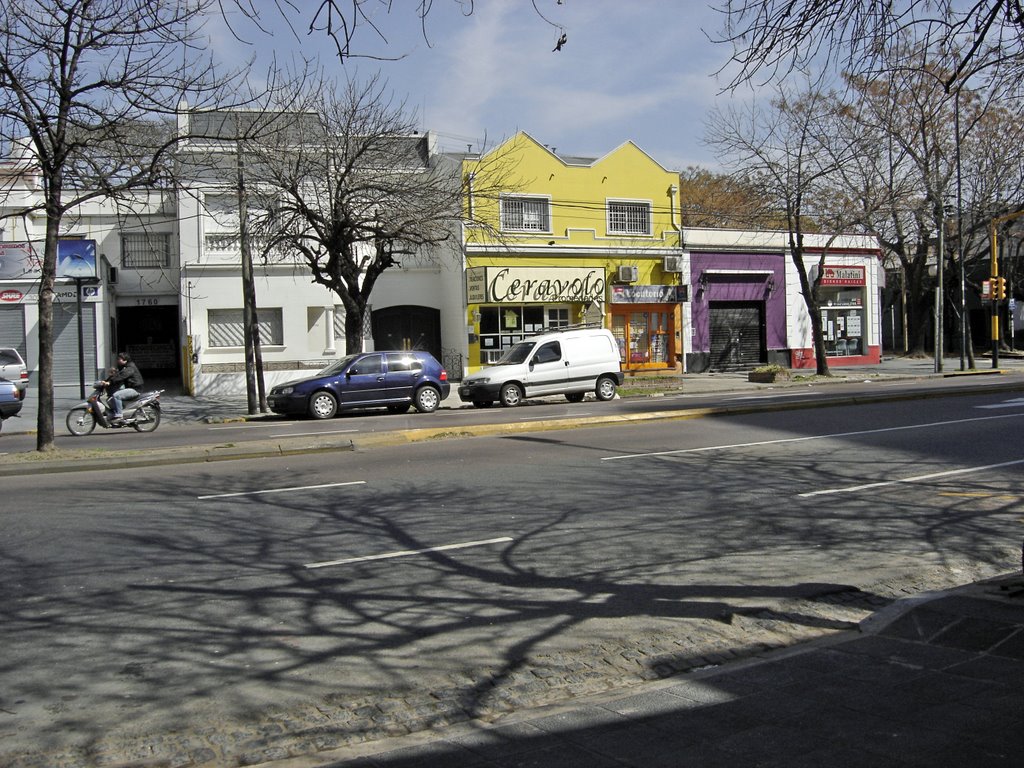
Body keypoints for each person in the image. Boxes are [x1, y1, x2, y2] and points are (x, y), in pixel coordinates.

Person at [102, 352, 144, 423]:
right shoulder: (124, 367)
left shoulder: (130, 367)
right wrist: (105, 381)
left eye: (119, 359)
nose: (118, 360)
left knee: (116, 395)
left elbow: (122, 376)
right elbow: (117, 375)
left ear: (125, 360)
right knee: (110, 398)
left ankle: (119, 415)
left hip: (135, 389)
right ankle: (116, 412)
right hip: (130, 388)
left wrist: (110, 382)